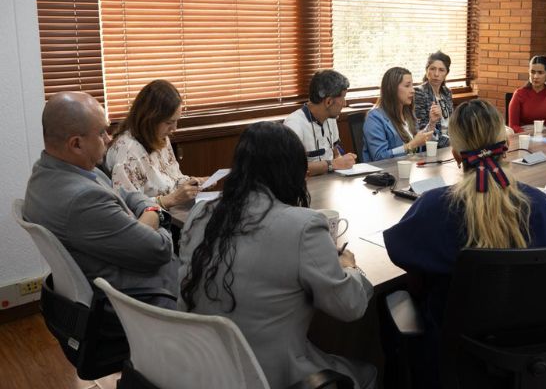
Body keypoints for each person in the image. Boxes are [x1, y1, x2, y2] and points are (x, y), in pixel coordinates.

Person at [383, 99, 546, 388]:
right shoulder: (539, 204)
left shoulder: (436, 207)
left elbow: (399, 251)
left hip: (453, 357)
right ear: (506, 145)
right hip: (527, 354)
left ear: (457, 155)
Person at [178, 122, 375, 389]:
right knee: (369, 370)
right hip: (268, 375)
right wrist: (350, 268)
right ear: (292, 171)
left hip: (203, 369)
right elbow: (350, 307)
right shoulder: (303, 226)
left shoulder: (201, 213)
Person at [24, 92, 177, 308]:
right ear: (76, 144)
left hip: (122, 272)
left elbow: (126, 194)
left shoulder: (47, 172)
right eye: (102, 133)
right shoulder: (82, 199)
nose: (109, 138)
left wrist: (146, 212)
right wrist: (156, 212)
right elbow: (160, 249)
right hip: (143, 297)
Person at [105, 80, 205, 210]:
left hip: (174, 211)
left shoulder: (160, 137)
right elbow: (127, 208)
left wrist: (191, 183)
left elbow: (172, 178)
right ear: (149, 119)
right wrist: (171, 199)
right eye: (169, 122)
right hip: (155, 223)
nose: (174, 128)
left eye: (176, 121)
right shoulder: (127, 153)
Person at [284, 69, 358, 176]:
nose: (345, 103)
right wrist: (333, 164)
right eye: (342, 98)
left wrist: (344, 160)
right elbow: (293, 168)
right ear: (328, 102)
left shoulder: (331, 118)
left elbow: (335, 152)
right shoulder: (294, 124)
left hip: (330, 184)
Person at [361, 67, 433, 162]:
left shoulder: (408, 113)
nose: (413, 90)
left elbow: (419, 147)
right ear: (392, 89)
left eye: (412, 85)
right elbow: (379, 156)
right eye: (407, 86)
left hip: (412, 169)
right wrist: (412, 145)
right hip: (387, 173)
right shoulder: (374, 118)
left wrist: (432, 122)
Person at [508, 55, 546, 133]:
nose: (535, 76)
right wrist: (527, 135)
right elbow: (513, 125)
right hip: (523, 136)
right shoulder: (519, 93)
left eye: (540, 73)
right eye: (533, 72)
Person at [414, 51, 454, 147]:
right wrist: (454, 143)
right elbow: (422, 128)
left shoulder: (447, 92)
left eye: (441, 70)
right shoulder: (419, 92)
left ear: (446, 73)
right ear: (427, 70)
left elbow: (452, 123)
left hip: (451, 144)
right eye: (432, 69)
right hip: (431, 145)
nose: (436, 74)